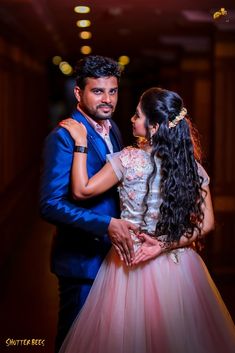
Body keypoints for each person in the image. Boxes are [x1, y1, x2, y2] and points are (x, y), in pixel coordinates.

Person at [58, 87, 235, 353]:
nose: (131, 118)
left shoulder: (127, 160)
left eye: (137, 115)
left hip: (129, 263)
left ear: (153, 126)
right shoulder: (190, 166)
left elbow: (81, 190)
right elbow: (206, 223)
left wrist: (81, 142)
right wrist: (163, 245)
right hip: (178, 265)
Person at [39, 55, 137, 353]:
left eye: (113, 91)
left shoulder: (115, 128)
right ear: (79, 93)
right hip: (81, 264)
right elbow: (50, 204)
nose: (107, 100)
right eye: (98, 91)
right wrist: (106, 225)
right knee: (75, 343)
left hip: (113, 260)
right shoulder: (64, 137)